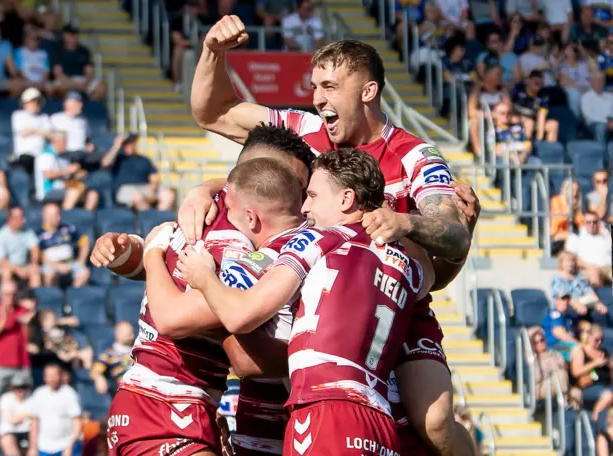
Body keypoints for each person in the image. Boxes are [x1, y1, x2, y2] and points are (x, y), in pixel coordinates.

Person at [186, 18, 479, 452]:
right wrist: (213, 52)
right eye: (314, 87)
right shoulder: (306, 131)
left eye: (329, 87)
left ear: (367, 92)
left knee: (434, 423)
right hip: (308, 298)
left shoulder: (416, 155)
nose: (318, 99)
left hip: (389, 304)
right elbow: (213, 113)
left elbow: (454, 236)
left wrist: (406, 222)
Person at [174, 148, 437, 455]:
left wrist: (203, 277)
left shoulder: (316, 240)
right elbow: (431, 275)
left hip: (326, 409)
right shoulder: (409, 261)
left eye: (313, 195)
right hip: (379, 419)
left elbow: (240, 316)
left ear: (346, 199)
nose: (306, 208)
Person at [98, 125, 315, 456]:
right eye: (294, 187)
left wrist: (136, 253)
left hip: (170, 402)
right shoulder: (240, 246)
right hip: (165, 404)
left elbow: (160, 273)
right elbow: (173, 318)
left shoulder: (207, 214)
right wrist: (148, 254)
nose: (300, 202)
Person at [0, 281, 34, 414]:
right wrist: (3, 320)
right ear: (1, 294)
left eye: (13, 294)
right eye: (7, 294)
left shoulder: (23, 311)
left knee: (25, 398)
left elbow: (29, 338)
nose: (10, 297)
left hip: (21, 363)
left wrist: (28, 323)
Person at [99, 133, 175, 211]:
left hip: (145, 188)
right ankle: (150, 219)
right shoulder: (118, 159)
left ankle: (159, 218)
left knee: (168, 195)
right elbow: (105, 163)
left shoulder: (144, 160)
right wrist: (116, 146)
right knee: (137, 196)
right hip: (125, 190)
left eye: (130, 143)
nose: (127, 146)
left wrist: (153, 187)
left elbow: (154, 177)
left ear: (135, 143)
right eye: (125, 144)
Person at [27, 363, 83, 456]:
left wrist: (70, 446)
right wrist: (33, 447)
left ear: (61, 375)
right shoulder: (39, 394)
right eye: (49, 375)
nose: (52, 378)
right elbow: (34, 422)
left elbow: (77, 422)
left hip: (65, 446)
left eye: (54, 375)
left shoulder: (69, 394)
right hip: (44, 447)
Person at [37, 202, 91, 287]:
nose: (59, 218)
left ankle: (73, 295)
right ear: (46, 216)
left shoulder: (68, 228)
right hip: (51, 265)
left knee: (84, 273)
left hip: (70, 263)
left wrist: (81, 261)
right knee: (49, 274)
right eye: (55, 215)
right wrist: (57, 266)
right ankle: (55, 297)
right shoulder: (38, 234)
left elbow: (85, 241)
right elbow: (40, 255)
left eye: (59, 214)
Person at [570, 324, 613, 420]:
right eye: (596, 339)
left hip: (605, 385)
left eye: (602, 339)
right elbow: (575, 372)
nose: (599, 342)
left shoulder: (604, 352)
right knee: (608, 395)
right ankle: (595, 421)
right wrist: (594, 363)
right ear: (589, 336)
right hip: (588, 387)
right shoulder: (581, 351)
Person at [0, 207, 41, 288]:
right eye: (21, 218)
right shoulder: (0, 235)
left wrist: (34, 263)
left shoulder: (27, 232)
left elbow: (35, 249)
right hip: (7, 267)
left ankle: (34, 297)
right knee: (6, 272)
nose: (24, 220)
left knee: (35, 270)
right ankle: (6, 298)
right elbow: (1, 260)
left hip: (23, 266)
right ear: (11, 219)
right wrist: (17, 269)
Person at [551, 250, 608, 316]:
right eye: (568, 261)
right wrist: (577, 305)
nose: (571, 263)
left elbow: (588, 290)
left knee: (600, 313)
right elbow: (563, 295)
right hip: (567, 308)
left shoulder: (579, 277)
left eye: (573, 261)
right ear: (561, 263)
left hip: (583, 305)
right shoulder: (557, 278)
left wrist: (597, 303)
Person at [566, 211, 613, 287]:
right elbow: (571, 257)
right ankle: (599, 298)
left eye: (595, 222)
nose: (592, 225)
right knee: (595, 273)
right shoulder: (576, 235)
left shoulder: (606, 234)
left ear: (599, 222)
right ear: (584, 222)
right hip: (586, 268)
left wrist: (607, 234)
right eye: (588, 222)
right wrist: (590, 266)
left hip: (607, 268)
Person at [11, 87, 52, 174]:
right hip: (25, 156)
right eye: (32, 101)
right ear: (25, 103)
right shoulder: (18, 115)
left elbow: (50, 134)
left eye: (37, 101)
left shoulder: (44, 117)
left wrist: (33, 131)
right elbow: (24, 132)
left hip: (42, 155)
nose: (35, 104)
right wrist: (41, 132)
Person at [89, 321, 134, 395]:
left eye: (132, 333)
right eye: (128, 334)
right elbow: (95, 370)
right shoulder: (109, 354)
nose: (132, 336)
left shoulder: (138, 350)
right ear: (118, 334)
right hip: (125, 391)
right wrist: (98, 378)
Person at [0, 374, 32, 456]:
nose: (20, 390)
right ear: (12, 388)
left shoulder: (33, 397)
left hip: (29, 433)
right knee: (7, 440)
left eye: (23, 387)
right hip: (10, 433)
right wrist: (28, 415)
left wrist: (22, 416)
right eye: (17, 387)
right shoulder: (6, 398)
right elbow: (13, 420)